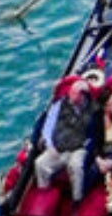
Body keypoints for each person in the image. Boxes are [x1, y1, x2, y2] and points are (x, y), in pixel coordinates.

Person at [34, 66, 104, 201]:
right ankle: (44, 196)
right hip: (58, 146)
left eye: (74, 94)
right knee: (39, 163)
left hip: (79, 148)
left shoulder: (93, 109)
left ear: (83, 95)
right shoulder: (60, 104)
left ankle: (77, 200)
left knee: (76, 166)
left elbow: (95, 134)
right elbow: (48, 126)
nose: (70, 97)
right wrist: (50, 145)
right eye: (70, 93)